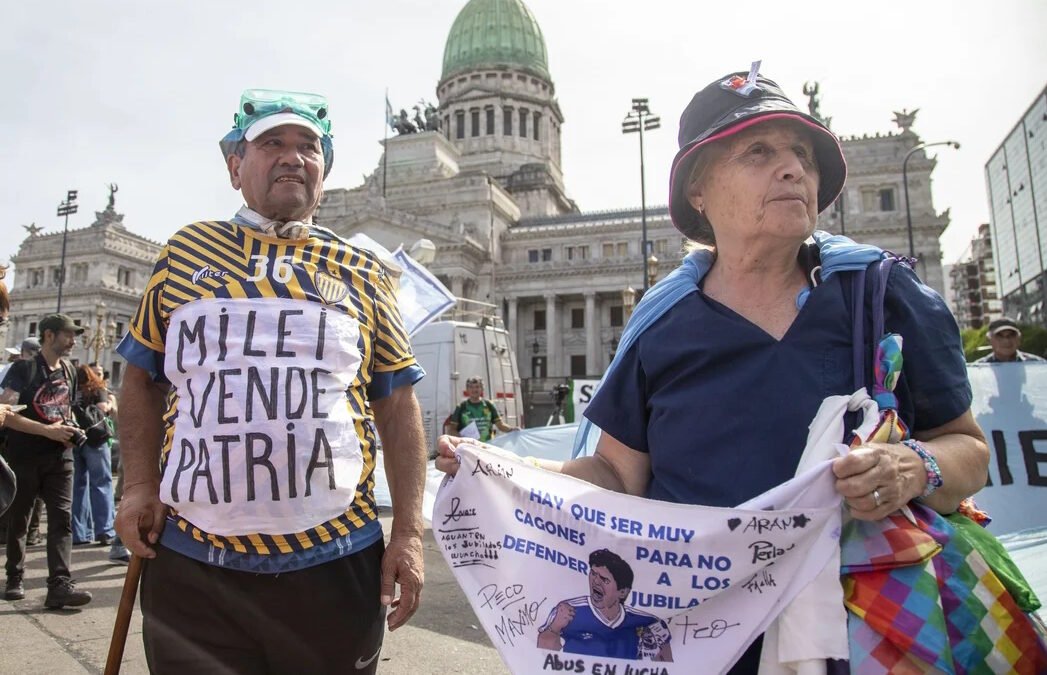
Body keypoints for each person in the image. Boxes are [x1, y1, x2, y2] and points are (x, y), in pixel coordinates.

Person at [438, 68, 988, 673]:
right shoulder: (662, 325)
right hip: (705, 640)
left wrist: (915, 466)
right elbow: (614, 474)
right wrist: (504, 468)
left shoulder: (883, 295)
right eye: (758, 151)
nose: (792, 169)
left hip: (869, 630)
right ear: (698, 192)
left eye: (801, 153)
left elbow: (968, 450)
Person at [115, 88, 428, 674]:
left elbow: (397, 402)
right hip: (192, 561)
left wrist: (408, 533)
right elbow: (139, 378)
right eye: (272, 143)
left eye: (309, 146)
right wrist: (138, 486)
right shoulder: (184, 253)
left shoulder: (363, 269)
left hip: (334, 559)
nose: (292, 156)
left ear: (325, 173)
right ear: (236, 166)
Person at [1, 314, 92, 608]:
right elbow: (5, 413)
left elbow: (69, 407)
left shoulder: (70, 370)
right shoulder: (23, 369)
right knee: (20, 519)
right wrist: (47, 431)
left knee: (62, 519)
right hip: (25, 455)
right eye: (68, 334)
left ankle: (59, 586)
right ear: (49, 335)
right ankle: (14, 577)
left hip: (61, 457)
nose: (73, 341)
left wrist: (73, 428)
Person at [537, 548, 672, 661]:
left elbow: (665, 667)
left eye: (604, 579)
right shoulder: (568, 610)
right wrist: (554, 628)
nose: (595, 581)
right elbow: (540, 659)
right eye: (593, 574)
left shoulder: (648, 622)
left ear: (623, 592)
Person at [70, 364, 115, 546]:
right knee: (102, 483)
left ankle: (80, 533)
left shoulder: (73, 391)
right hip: (96, 441)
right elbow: (103, 408)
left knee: (78, 486)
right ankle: (105, 530)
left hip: (75, 439)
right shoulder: (98, 389)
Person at [446, 376, 518, 442]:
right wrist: (462, 439)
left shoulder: (489, 405)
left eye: (477, 387)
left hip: (487, 447)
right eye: (471, 387)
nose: (474, 390)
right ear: (467, 389)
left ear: (482, 389)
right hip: (469, 448)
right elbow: (451, 430)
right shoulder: (461, 407)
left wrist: (512, 429)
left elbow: (500, 425)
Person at [975, 317, 1045, 363]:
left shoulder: (1037, 364)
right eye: (1000, 336)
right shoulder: (979, 369)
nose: (1006, 341)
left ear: (1019, 338)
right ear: (989, 340)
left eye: (1011, 335)